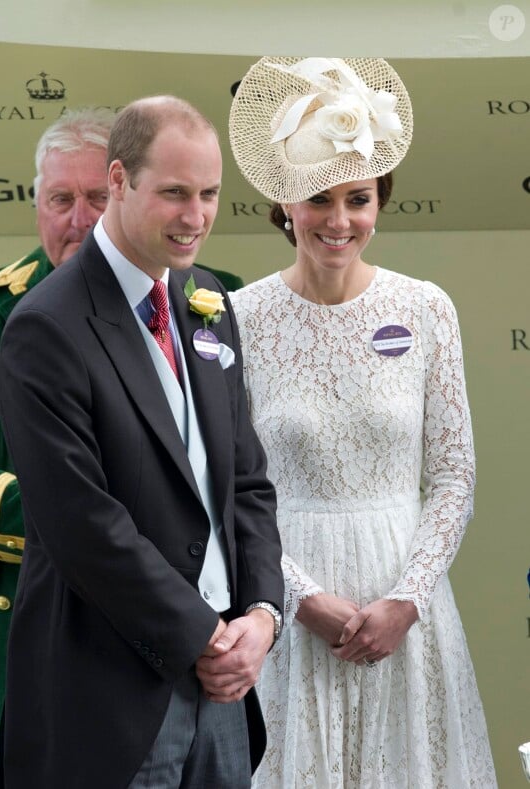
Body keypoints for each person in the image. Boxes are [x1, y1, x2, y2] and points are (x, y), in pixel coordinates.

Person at [0, 95, 284, 789]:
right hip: (106, 694)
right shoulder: (45, 326)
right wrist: (203, 636)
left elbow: (246, 481)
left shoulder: (207, 298)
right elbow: (81, 522)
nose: (196, 216)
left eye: (210, 193)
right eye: (175, 193)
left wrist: (263, 617)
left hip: (223, 691)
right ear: (119, 181)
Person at [229, 56, 497, 787]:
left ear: (381, 200)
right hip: (285, 611)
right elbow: (228, 485)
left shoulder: (426, 308)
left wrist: (407, 599)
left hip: (405, 609)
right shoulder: (239, 318)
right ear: (285, 203)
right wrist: (297, 596)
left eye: (359, 198)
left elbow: (453, 475)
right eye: (319, 199)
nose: (339, 221)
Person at [0, 106, 114, 789]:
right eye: (61, 198)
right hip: (16, 597)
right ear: (37, 202)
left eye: (98, 198)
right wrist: (74, 522)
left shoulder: (203, 297)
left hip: (149, 610)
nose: (79, 218)